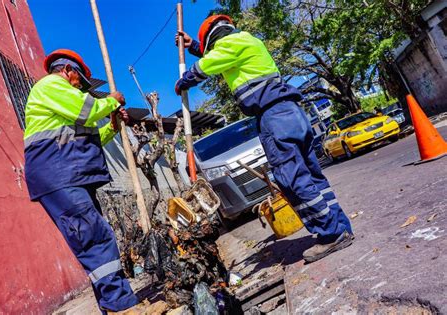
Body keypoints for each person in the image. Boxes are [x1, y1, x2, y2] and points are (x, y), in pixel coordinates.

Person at [174, 16, 354, 263]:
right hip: (292, 112)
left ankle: (330, 234)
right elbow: (214, 57)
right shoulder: (247, 42)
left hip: (273, 116)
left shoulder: (230, 45)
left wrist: (183, 81)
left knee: (292, 180)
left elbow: (204, 67)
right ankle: (340, 227)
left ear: (214, 39)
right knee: (312, 176)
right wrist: (193, 45)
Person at [24, 49, 139, 313]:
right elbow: (87, 110)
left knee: (93, 238)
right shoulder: (50, 84)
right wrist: (112, 101)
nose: (81, 89)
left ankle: (112, 305)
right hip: (59, 174)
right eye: (79, 82)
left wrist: (111, 124)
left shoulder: (61, 102)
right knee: (94, 238)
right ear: (67, 70)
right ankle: (121, 306)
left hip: (66, 173)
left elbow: (90, 140)